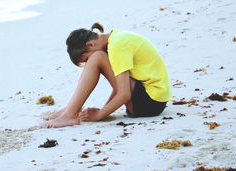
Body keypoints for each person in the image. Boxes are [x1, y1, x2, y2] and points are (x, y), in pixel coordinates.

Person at [42, 22, 172, 128]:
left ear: (90, 44)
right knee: (97, 56)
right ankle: (71, 109)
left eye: (86, 59)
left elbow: (124, 93)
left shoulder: (118, 46)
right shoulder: (116, 38)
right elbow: (122, 87)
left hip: (149, 103)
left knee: (97, 57)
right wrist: (105, 110)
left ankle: (71, 113)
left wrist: (99, 115)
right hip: (153, 101)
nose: (89, 64)